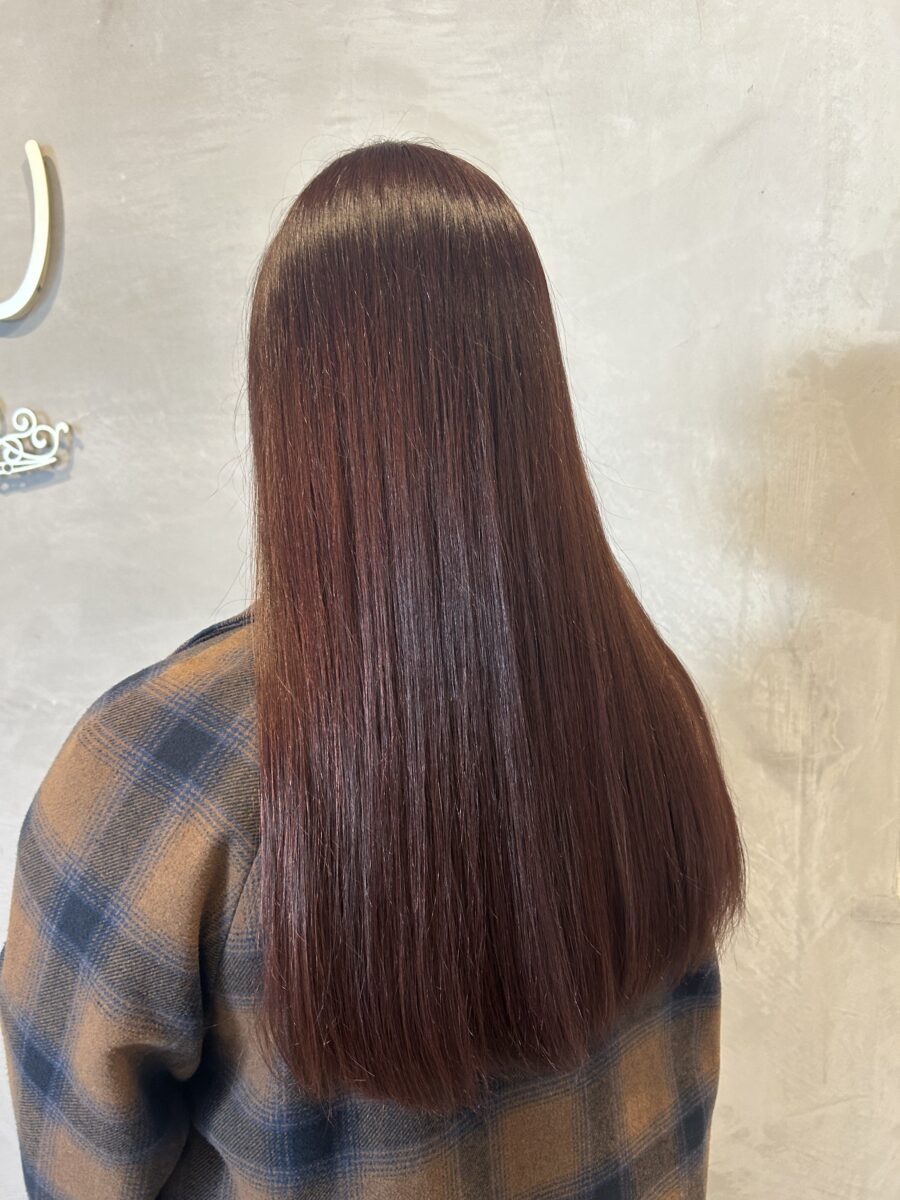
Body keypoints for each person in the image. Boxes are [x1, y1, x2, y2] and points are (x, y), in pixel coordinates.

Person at [0, 137, 747, 1199]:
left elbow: (77, 1169)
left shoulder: (157, 776)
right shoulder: (648, 703)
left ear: (290, 404)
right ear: (530, 386)